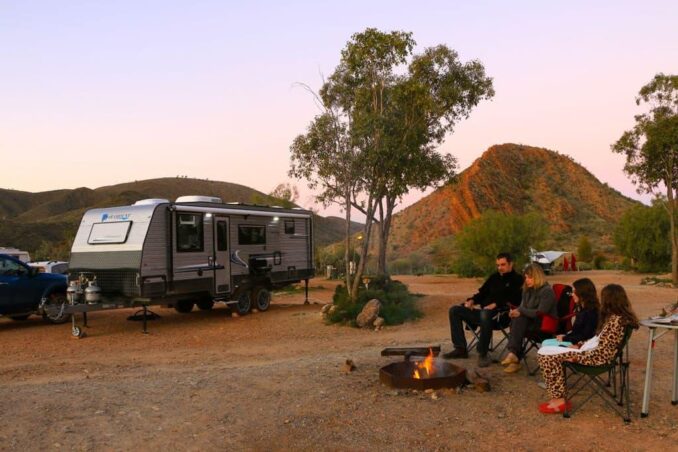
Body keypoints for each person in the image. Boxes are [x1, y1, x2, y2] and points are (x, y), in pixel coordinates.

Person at [536, 284, 639, 414]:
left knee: (546, 356)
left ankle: (559, 400)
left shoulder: (616, 321)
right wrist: (579, 345)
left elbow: (603, 352)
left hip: (595, 358)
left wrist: (576, 355)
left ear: (609, 300)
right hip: (591, 353)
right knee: (544, 351)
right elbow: (597, 341)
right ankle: (558, 396)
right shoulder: (616, 318)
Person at [444, 252, 523, 367]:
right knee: (454, 310)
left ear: (511, 264)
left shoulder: (518, 279)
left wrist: (496, 304)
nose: (500, 268)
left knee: (486, 313)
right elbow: (482, 293)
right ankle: (460, 349)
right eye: (498, 265)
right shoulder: (494, 277)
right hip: (484, 313)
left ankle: (483, 353)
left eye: (503, 265)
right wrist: (472, 300)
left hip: (502, 315)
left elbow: (516, 299)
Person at [501, 263, 557, 373]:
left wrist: (520, 311)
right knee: (517, 319)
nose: (527, 280)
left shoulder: (547, 291)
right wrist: (516, 312)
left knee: (519, 319)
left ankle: (514, 356)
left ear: (537, 276)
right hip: (529, 322)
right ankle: (514, 357)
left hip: (545, 324)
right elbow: (523, 307)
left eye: (530, 277)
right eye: (526, 277)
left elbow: (540, 313)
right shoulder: (527, 290)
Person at [542, 278, 599, 347]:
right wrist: (566, 336)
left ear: (583, 293)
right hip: (575, 340)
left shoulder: (591, 312)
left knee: (546, 344)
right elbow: (577, 332)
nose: (572, 295)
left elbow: (586, 335)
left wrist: (566, 338)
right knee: (545, 342)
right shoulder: (584, 309)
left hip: (581, 344)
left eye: (574, 292)